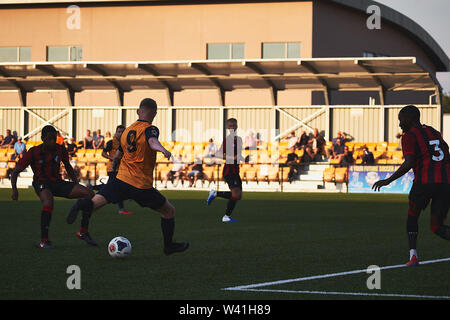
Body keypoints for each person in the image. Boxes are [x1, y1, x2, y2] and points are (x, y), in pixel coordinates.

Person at [66, 98, 189, 255]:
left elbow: (118, 155)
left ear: (138, 111)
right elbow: (152, 141)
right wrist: (163, 150)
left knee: (94, 204)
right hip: (140, 185)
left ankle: (81, 204)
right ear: (155, 114)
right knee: (169, 211)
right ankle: (168, 246)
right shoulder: (150, 128)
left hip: (121, 180)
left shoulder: (125, 132)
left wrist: (114, 166)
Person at [372, 105, 450, 267]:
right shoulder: (434, 132)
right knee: (436, 226)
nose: (400, 124)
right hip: (445, 184)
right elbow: (446, 153)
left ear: (410, 118)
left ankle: (413, 257)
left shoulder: (409, 136)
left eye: (401, 120)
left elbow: (409, 163)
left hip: (424, 183)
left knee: (412, 217)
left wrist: (388, 180)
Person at [10, 125, 95, 248]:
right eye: (49, 139)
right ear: (43, 138)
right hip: (41, 183)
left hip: (57, 183)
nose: (52, 142)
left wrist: (76, 183)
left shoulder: (60, 149)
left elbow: (68, 166)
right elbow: (15, 172)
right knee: (49, 201)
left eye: (54, 139)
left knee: (89, 194)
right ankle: (44, 240)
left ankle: (83, 231)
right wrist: (14, 189)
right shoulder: (34, 152)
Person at [206, 118, 244, 223]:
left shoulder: (239, 139)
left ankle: (215, 194)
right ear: (227, 128)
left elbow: (237, 155)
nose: (232, 127)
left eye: (234, 125)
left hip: (236, 170)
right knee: (236, 194)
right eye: (230, 126)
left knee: (238, 196)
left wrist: (242, 158)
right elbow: (218, 154)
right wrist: (233, 158)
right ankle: (226, 217)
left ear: (237, 126)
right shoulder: (227, 140)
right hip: (229, 170)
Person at [100, 125, 133, 215]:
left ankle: (92, 189)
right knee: (115, 188)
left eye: (123, 132)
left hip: (122, 169)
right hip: (113, 169)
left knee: (112, 188)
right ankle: (122, 208)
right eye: (119, 132)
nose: (121, 133)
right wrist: (112, 158)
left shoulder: (127, 143)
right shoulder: (111, 142)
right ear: (116, 133)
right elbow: (103, 153)